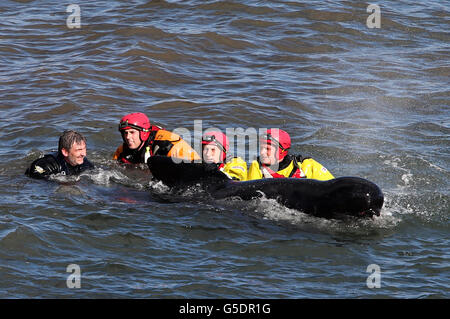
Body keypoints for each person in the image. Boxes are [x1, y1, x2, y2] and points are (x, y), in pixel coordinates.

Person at [113, 112, 201, 164]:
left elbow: (195, 164)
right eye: (125, 133)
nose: (128, 137)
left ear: (143, 133)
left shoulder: (168, 143)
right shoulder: (122, 151)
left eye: (132, 132)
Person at [247, 128, 334, 181]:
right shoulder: (257, 166)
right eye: (261, 147)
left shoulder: (305, 165)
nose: (262, 152)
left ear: (282, 151)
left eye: (268, 149)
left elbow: (331, 186)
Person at [26, 130, 94, 179]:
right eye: (79, 150)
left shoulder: (84, 162)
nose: (83, 154)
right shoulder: (48, 164)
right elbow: (34, 176)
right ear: (65, 152)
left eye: (84, 149)